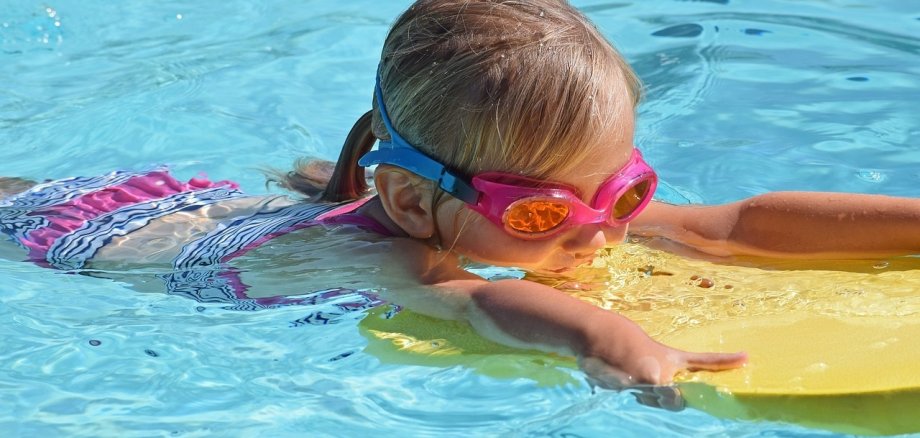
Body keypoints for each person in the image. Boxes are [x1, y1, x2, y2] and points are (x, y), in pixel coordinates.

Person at [2, 0, 919, 394]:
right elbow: (475, 300)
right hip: (79, 236)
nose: (598, 232)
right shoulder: (386, 254)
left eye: (624, 192)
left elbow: (732, 227)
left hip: (188, 204)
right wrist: (613, 339)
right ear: (409, 202)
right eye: (541, 215)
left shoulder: (576, 213)